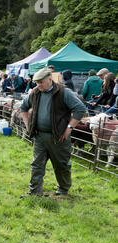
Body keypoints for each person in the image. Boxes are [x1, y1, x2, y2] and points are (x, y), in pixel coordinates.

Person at [20, 68, 87, 198]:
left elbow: (80, 109)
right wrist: (28, 125)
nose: (38, 85)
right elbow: (23, 107)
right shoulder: (34, 93)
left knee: (61, 164)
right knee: (36, 165)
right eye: (36, 82)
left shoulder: (63, 92)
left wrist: (69, 129)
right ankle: (35, 193)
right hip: (40, 136)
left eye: (41, 82)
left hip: (59, 137)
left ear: (50, 80)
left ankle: (63, 188)